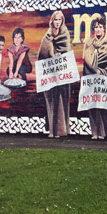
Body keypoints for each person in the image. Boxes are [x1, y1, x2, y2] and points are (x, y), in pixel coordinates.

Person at [38, 10, 71, 138]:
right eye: (55, 20)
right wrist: (51, 53)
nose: (57, 22)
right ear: (52, 20)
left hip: (62, 73)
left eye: (59, 20)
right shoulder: (47, 35)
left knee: (60, 101)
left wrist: (58, 54)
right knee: (51, 100)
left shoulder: (65, 33)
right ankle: (52, 131)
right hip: (50, 74)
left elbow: (66, 50)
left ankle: (60, 131)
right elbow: (43, 53)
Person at [83, 16, 107, 139]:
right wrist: (93, 69)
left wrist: (98, 68)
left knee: (105, 104)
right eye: (96, 27)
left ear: (104, 29)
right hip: (92, 76)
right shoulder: (88, 42)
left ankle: (105, 133)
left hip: (106, 75)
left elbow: (106, 57)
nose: (98, 29)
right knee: (93, 103)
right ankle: (95, 132)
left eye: (100, 27)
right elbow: (86, 58)